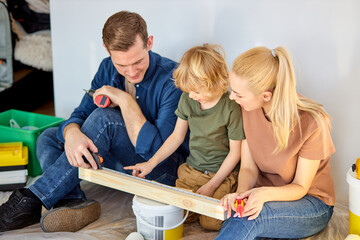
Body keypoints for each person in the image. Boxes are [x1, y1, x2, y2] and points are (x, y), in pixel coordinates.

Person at [0, 11, 189, 233]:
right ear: (107, 51)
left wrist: (125, 100)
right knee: (49, 137)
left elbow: (157, 153)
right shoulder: (107, 67)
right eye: (121, 65)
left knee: (104, 120)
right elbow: (80, 113)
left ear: (149, 43)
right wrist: (71, 133)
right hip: (118, 160)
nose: (131, 72)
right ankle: (73, 202)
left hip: (161, 171)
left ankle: (31, 199)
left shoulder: (174, 79)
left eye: (138, 62)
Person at [215, 46, 335, 239]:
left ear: (266, 96)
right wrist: (240, 197)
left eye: (238, 94)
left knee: (248, 218)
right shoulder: (248, 108)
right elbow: (248, 169)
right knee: (238, 214)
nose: (231, 97)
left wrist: (262, 194)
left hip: (310, 202)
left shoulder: (312, 122)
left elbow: (300, 187)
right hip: (266, 194)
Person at [125, 44, 245, 231]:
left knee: (210, 222)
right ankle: (199, 206)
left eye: (196, 91)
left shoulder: (231, 107)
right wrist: (151, 163)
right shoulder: (189, 99)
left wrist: (212, 185)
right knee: (177, 215)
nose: (191, 95)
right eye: (189, 91)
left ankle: (216, 207)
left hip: (221, 176)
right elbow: (176, 137)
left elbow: (235, 154)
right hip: (192, 171)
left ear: (213, 82)